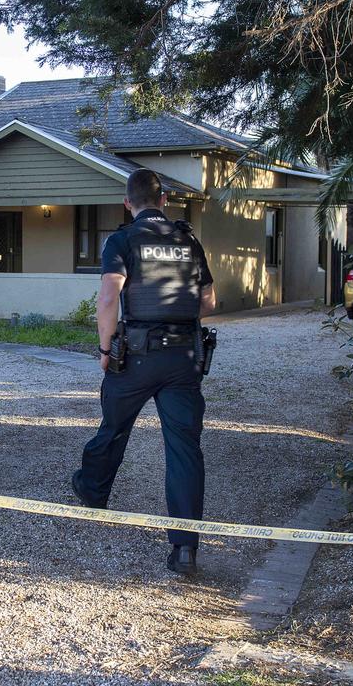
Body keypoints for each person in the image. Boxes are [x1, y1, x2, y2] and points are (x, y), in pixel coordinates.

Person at [71, 168, 216, 575]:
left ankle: (93, 491)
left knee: (114, 426)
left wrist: (105, 349)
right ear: (165, 200)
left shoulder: (122, 240)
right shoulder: (188, 239)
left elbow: (107, 298)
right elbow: (209, 302)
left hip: (135, 357)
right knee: (185, 450)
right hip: (184, 358)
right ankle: (184, 549)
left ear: (127, 202)